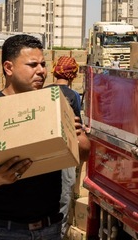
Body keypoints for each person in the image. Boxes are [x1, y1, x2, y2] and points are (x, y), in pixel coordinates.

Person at [0, 35, 90, 240]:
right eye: (32, 65)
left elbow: (83, 155)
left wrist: (75, 136)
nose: (42, 71)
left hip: (49, 228)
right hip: (1, 229)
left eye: (44, 64)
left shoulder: (55, 106)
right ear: (8, 68)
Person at [45, 56, 82, 237]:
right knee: (65, 193)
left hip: (45, 150)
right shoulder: (73, 95)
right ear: (72, 75)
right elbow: (77, 128)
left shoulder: (43, 91)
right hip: (65, 151)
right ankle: (58, 233)